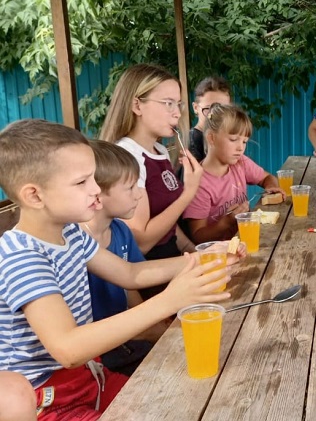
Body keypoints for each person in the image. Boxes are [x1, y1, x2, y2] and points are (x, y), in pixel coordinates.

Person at [0, 119, 235, 420]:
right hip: (47, 402)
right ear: (34, 195)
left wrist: (204, 259)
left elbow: (129, 274)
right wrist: (169, 301)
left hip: (90, 380)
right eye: (82, 182)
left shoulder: (69, 233)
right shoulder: (22, 256)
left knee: (183, 402)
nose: (96, 189)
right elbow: (67, 348)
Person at [99, 64, 203, 264]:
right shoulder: (127, 156)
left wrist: (195, 251)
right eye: (168, 103)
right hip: (147, 274)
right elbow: (143, 243)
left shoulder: (159, 151)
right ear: (137, 105)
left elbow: (168, 225)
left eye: (178, 104)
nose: (177, 113)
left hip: (172, 262)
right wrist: (189, 192)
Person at [83, 140, 165, 375]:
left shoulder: (120, 230)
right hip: (101, 353)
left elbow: (130, 284)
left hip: (130, 340)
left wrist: (151, 325)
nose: (140, 194)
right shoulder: (77, 242)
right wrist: (149, 329)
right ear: (97, 194)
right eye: (130, 187)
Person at [184, 104, 284, 243]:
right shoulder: (200, 183)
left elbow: (267, 177)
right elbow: (198, 236)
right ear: (211, 138)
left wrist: (271, 187)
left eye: (244, 142)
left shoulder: (240, 163)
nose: (240, 148)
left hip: (244, 241)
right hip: (220, 254)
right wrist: (226, 222)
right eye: (233, 140)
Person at [189, 76, 231, 162]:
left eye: (223, 109)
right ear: (195, 108)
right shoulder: (193, 142)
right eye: (208, 108)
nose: (216, 115)